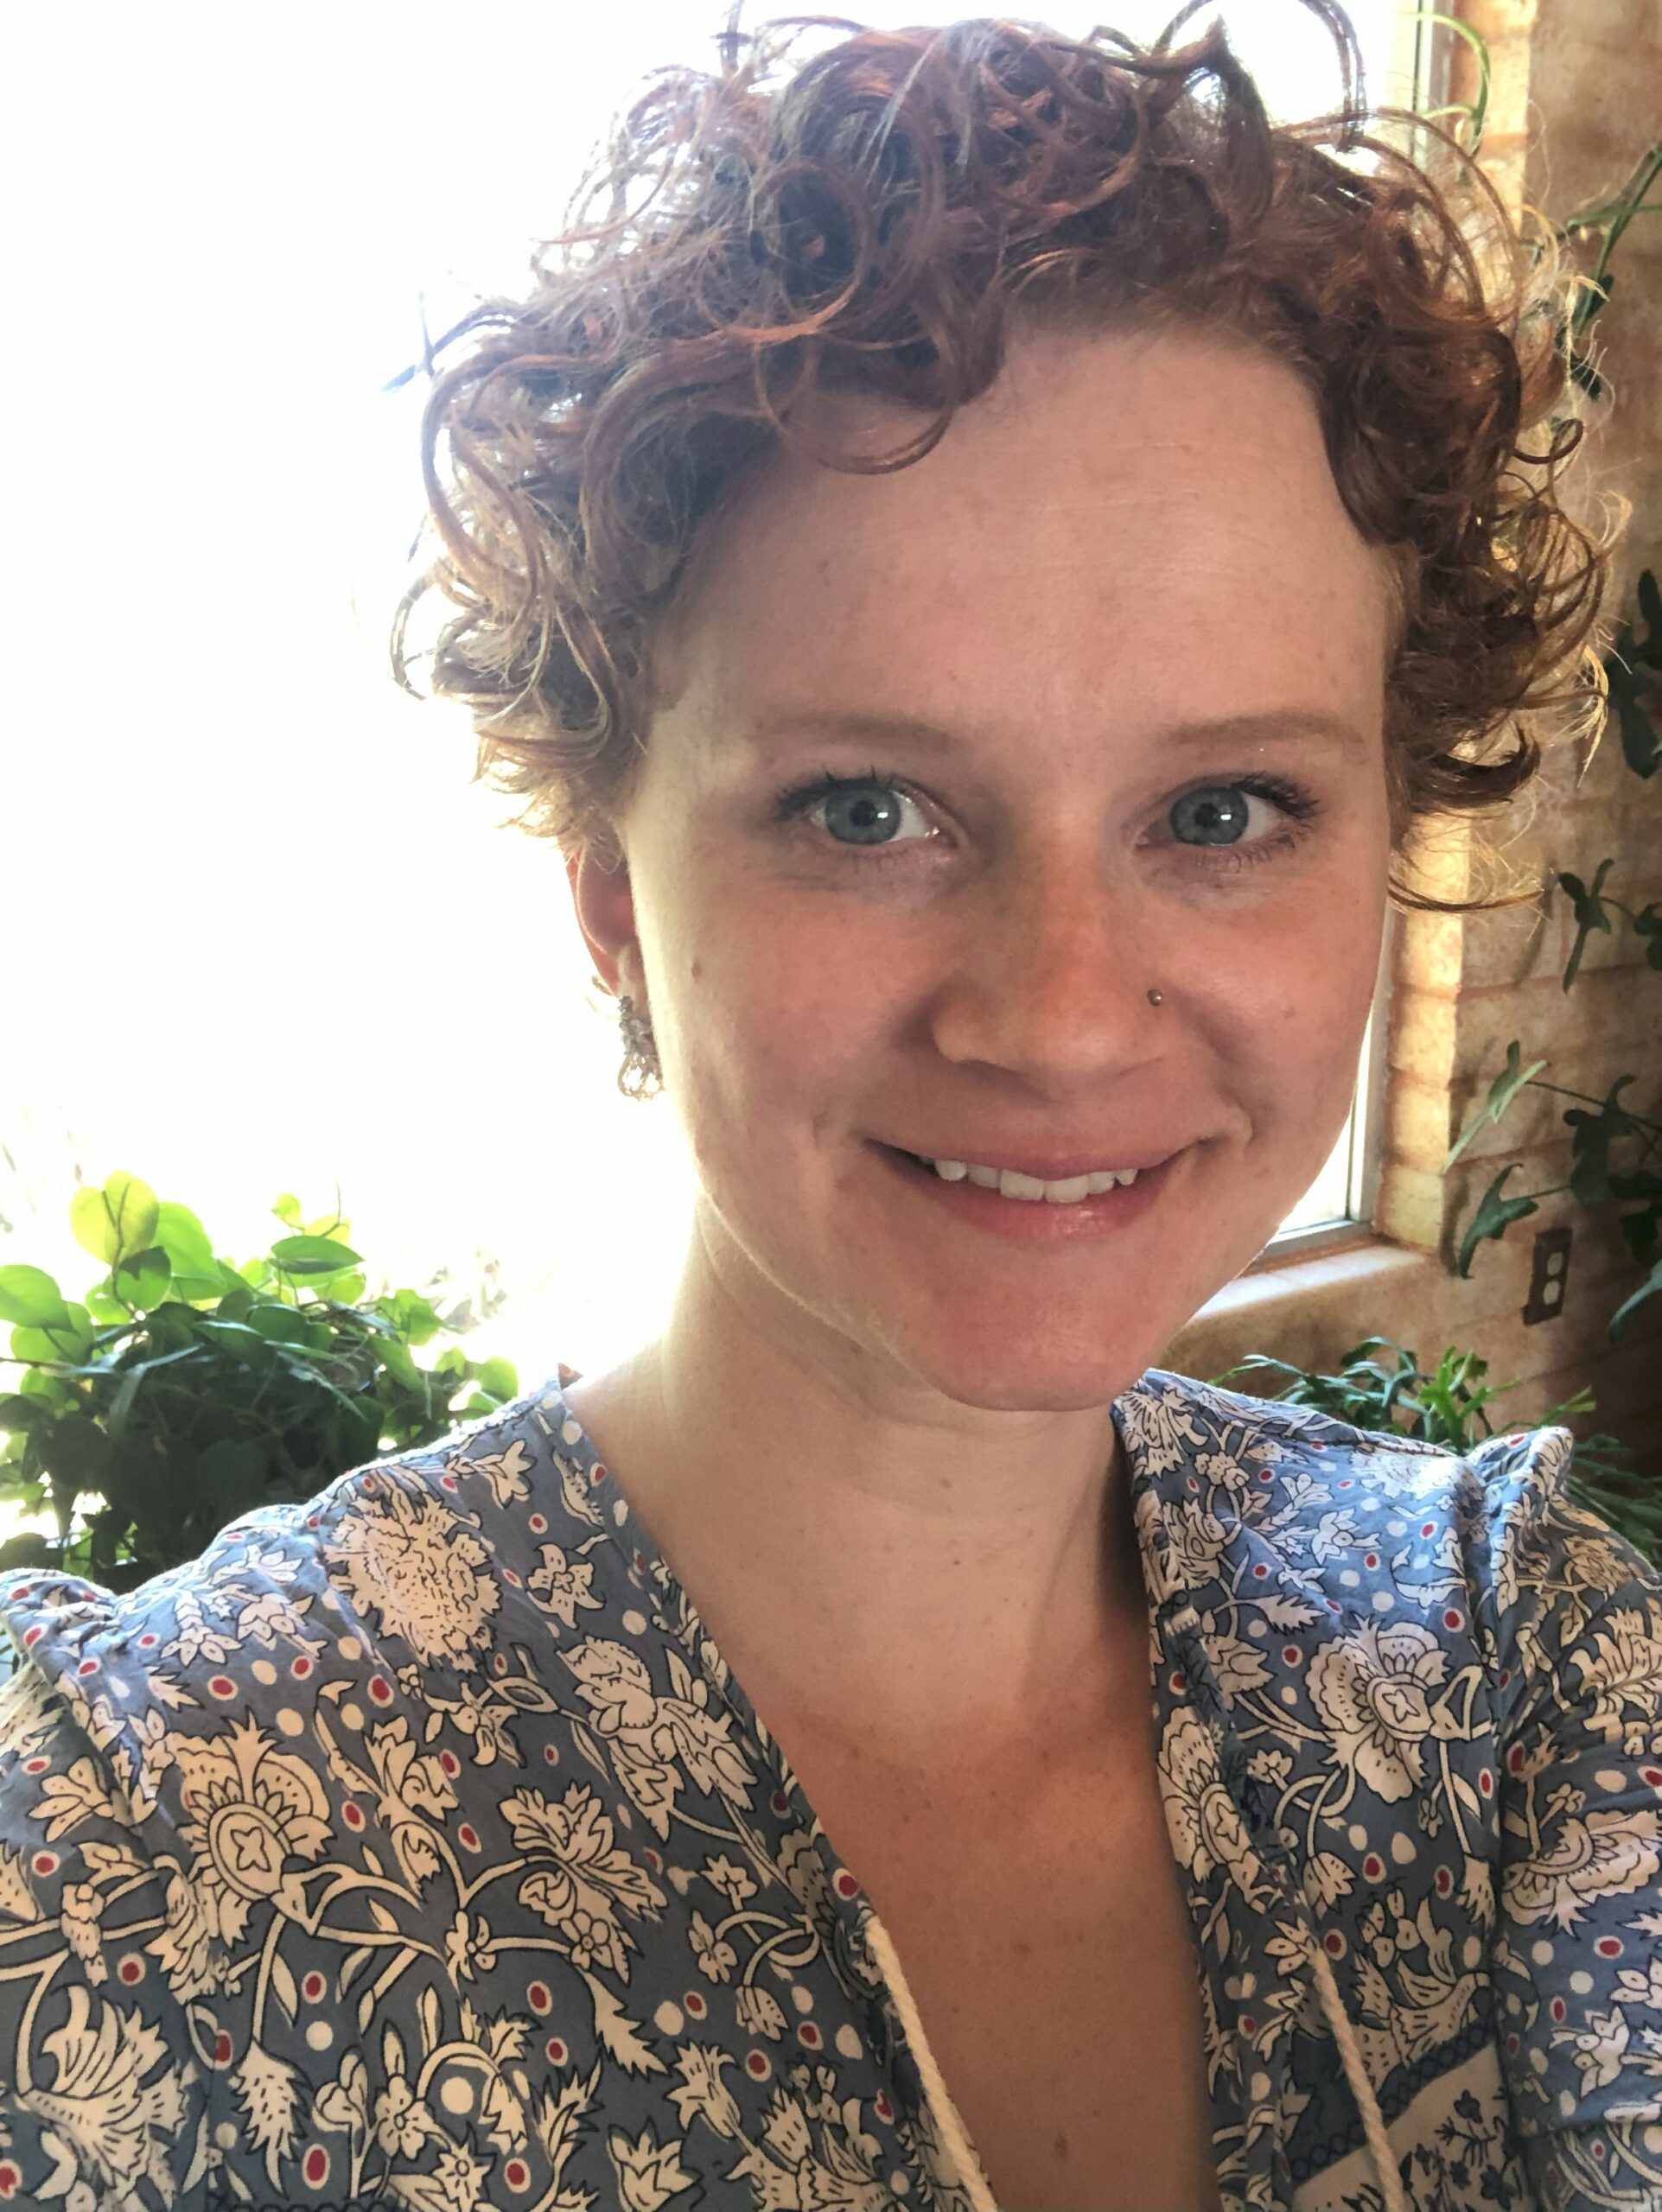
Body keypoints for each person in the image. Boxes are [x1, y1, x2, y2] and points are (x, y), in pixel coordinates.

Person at [1, 6, 1658, 2209]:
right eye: (865, 806)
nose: (1060, 1015)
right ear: (609, 885)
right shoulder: (136, 1851)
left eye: (1224, 803)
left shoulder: (1509, 1680)